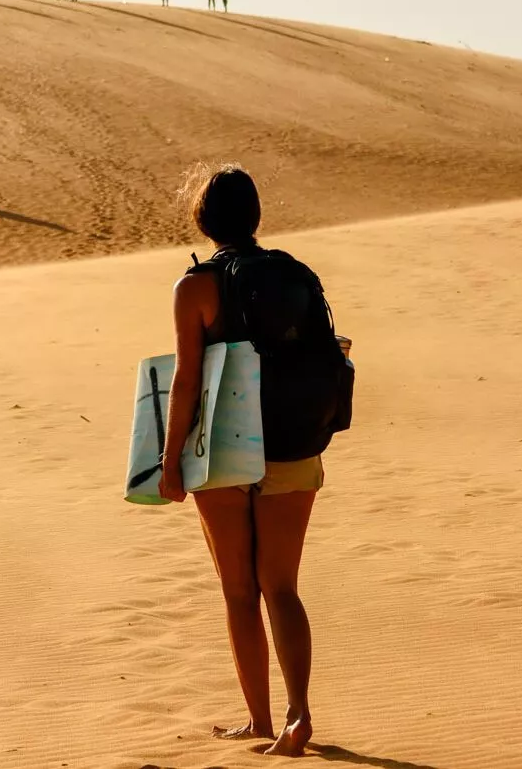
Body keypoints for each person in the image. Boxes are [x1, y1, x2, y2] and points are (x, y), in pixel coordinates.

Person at [159, 165, 334, 757]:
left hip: (224, 454)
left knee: (239, 591)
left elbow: (186, 382)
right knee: (282, 588)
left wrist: (168, 461)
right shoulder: (297, 275)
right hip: (293, 445)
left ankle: (259, 718)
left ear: (202, 221)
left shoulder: (195, 287)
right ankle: (297, 714)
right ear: (255, 216)